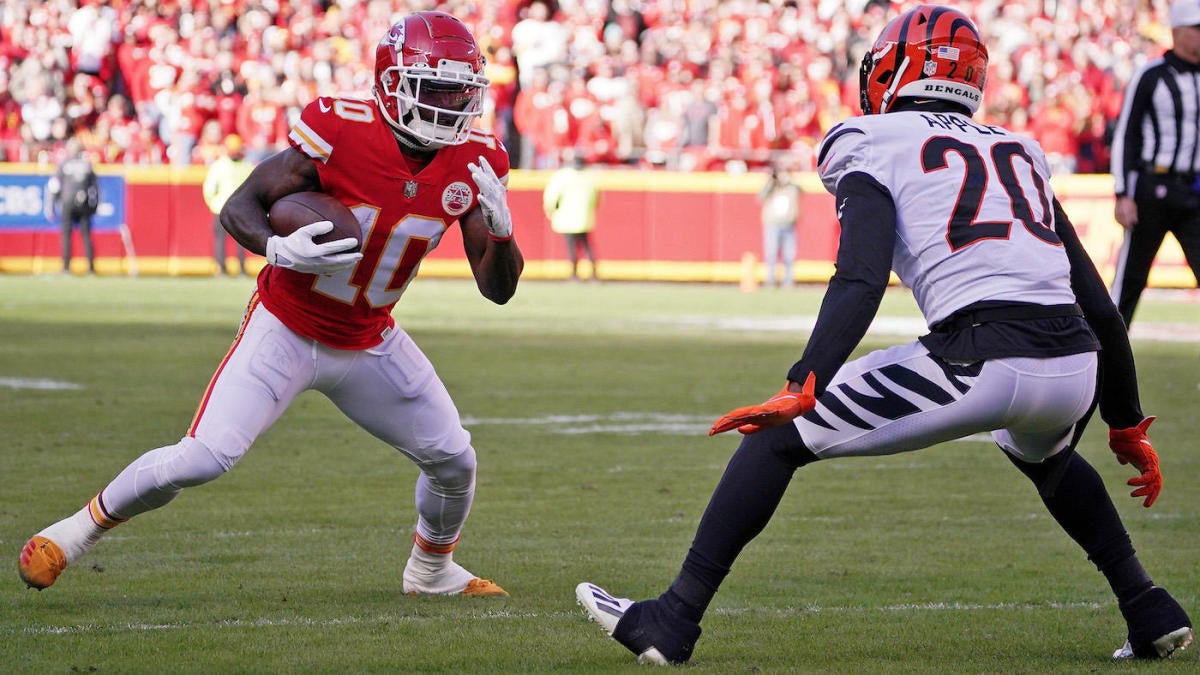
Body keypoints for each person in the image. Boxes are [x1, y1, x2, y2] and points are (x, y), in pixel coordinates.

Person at [576, 5, 1193, 665]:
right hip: (1073, 367)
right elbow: (1100, 305)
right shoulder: (1019, 149)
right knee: (1047, 458)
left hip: (980, 356)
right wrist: (1126, 423)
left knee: (777, 438)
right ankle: (1147, 604)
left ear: (895, 69)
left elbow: (861, 278)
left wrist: (803, 378)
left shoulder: (869, 140)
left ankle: (672, 619)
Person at [19, 11, 523, 598]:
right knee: (203, 457)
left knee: (455, 461)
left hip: (368, 338)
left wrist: (503, 232)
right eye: (433, 86)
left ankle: (430, 572)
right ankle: (72, 533)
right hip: (285, 326)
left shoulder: (477, 159)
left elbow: (498, 289)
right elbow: (241, 205)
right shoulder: (339, 129)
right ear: (392, 83)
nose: (449, 102)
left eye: (459, 89)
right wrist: (276, 247)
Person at [1110, 0, 1200, 328]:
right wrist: (1123, 193)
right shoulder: (1152, 74)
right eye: (1197, 29)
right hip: (1152, 190)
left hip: (1194, 191)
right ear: (1177, 31)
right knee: (1128, 284)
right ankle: (1107, 366)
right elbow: (1126, 134)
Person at [543, 152, 600, 281]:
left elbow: (551, 198)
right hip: (584, 218)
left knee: (571, 248)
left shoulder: (562, 176)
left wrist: (550, 212)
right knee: (587, 247)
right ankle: (594, 274)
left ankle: (574, 274)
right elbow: (596, 199)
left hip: (566, 219)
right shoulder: (589, 177)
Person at [202, 134, 254, 276]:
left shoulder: (221, 166)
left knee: (232, 241)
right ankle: (234, 270)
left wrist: (213, 204)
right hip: (230, 209)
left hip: (225, 209)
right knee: (238, 241)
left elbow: (209, 189)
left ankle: (227, 269)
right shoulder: (244, 166)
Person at [48, 137, 99, 274]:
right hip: (83, 203)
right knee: (86, 235)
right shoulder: (87, 165)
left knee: (66, 235)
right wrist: (95, 206)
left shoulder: (64, 164)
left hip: (67, 202)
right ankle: (91, 268)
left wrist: (52, 205)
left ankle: (66, 267)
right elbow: (95, 188)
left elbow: (54, 186)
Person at [757, 164, 802, 288]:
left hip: (789, 225)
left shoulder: (792, 187)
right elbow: (761, 196)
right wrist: (772, 181)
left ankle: (788, 281)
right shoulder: (772, 187)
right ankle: (770, 280)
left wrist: (790, 179)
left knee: (789, 255)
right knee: (771, 254)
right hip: (773, 224)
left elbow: (800, 189)